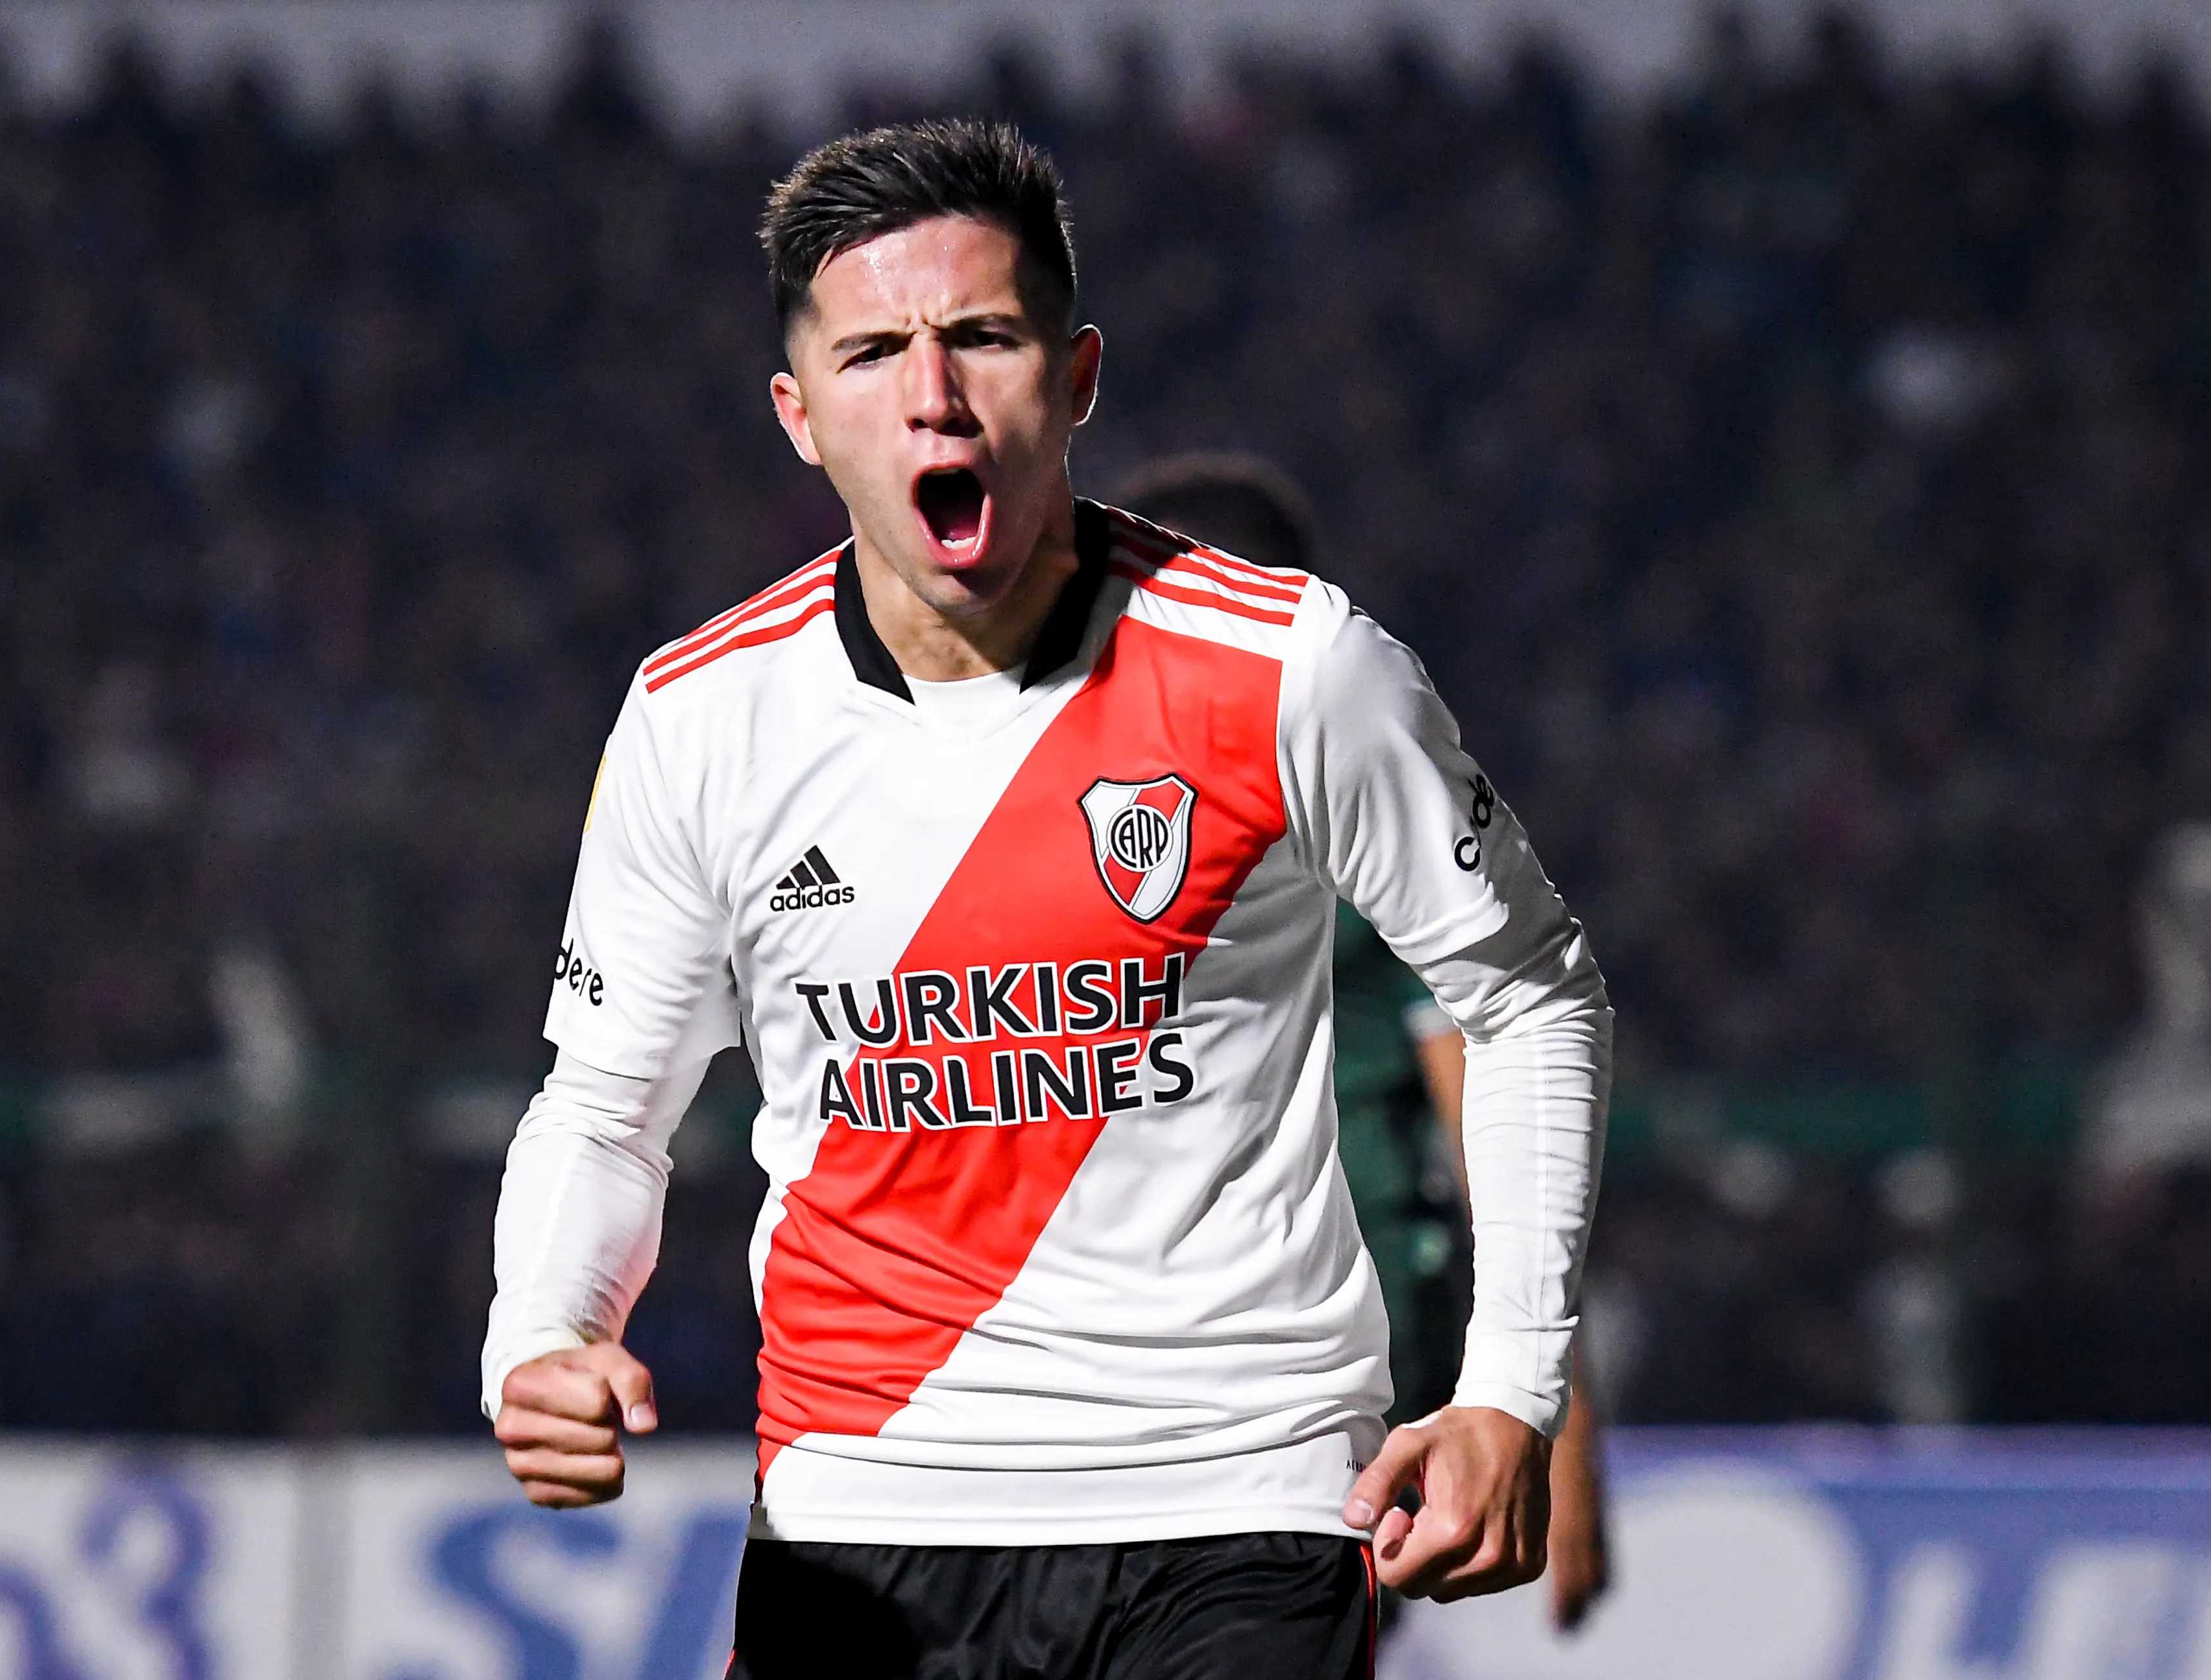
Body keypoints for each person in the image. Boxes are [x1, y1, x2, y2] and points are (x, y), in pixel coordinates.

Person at [481, 121, 1612, 1677]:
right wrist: (541, 1328)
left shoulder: (1290, 668)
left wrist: (1509, 1386)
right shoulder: (701, 717)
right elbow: (605, 1105)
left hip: (1240, 1501)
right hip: (858, 1514)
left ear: (1075, 379)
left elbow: (1530, 991)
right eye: (874, 352)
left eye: (982, 338)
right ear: (798, 416)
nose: (933, 395)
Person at [1117, 454, 1613, 1633]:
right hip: (1138, 1374)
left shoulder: (1354, 829)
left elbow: (1493, 1088)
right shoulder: (1104, 822)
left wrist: (1554, 1421)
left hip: (1319, 1374)